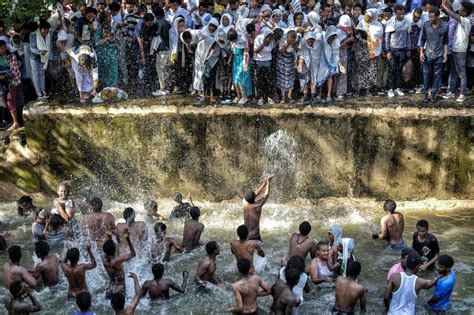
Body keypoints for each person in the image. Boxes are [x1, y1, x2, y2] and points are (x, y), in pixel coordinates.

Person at [441, 0, 472, 103]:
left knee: (462, 73)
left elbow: (454, 15)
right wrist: (449, 5)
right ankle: (451, 92)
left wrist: (445, 7)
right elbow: (455, 13)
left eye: (461, 9)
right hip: (455, 49)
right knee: (453, 72)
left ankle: (462, 94)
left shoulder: (466, 20)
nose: (459, 10)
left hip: (461, 51)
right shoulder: (462, 18)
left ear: (465, 11)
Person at [419, 8, 448, 104]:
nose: (430, 18)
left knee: (437, 76)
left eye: (432, 17)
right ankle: (425, 95)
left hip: (439, 55)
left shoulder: (445, 25)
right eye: (429, 16)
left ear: (437, 16)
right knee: (426, 75)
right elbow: (422, 39)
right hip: (428, 54)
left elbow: (446, 41)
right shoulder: (426, 24)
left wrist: (445, 54)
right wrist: (421, 52)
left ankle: (434, 95)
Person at [385, 4, 412, 99]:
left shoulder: (407, 21)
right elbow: (387, 37)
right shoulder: (391, 22)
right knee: (392, 69)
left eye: (402, 14)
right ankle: (390, 89)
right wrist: (387, 51)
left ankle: (398, 87)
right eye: (399, 14)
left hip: (403, 49)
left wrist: (409, 49)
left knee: (400, 69)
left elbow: (408, 35)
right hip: (393, 49)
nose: (401, 16)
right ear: (395, 13)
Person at [102, 230, 136, 299]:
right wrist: (128, 239)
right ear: (114, 250)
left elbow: (109, 251)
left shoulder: (103, 258)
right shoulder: (118, 261)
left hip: (110, 288)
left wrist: (110, 238)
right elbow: (133, 254)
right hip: (120, 288)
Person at [0, 40, 22, 131]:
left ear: (5, 47)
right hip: (4, 83)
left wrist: (3, 75)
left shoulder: (12, 56)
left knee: (10, 102)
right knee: (8, 103)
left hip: (12, 82)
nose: (1, 50)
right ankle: (13, 122)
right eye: (0, 49)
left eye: (3, 48)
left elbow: (13, 71)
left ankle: (16, 123)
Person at [242, 175, 272, 242]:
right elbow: (266, 194)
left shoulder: (244, 203)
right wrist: (268, 182)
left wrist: (264, 183)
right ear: (254, 198)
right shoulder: (258, 206)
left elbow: (254, 194)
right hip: (255, 237)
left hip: (245, 237)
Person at [28, 20, 51, 100]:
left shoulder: (48, 34)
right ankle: (38, 93)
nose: (46, 34)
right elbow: (32, 48)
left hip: (43, 57)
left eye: (47, 32)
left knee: (42, 74)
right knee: (36, 75)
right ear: (40, 29)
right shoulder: (33, 34)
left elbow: (49, 46)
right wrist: (40, 52)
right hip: (34, 57)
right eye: (44, 32)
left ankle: (43, 91)